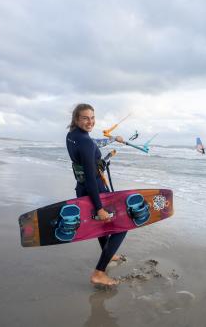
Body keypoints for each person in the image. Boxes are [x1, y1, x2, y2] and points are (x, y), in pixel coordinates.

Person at [66, 103, 126, 286]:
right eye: (85, 118)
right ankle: (99, 273)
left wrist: (113, 138)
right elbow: (92, 177)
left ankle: (109, 254)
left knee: (102, 226)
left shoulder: (73, 136)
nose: (90, 121)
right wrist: (99, 207)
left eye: (92, 117)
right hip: (95, 190)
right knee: (122, 225)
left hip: (81, 188)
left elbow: (94, 143)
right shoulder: (84, 141)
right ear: (77, 119)